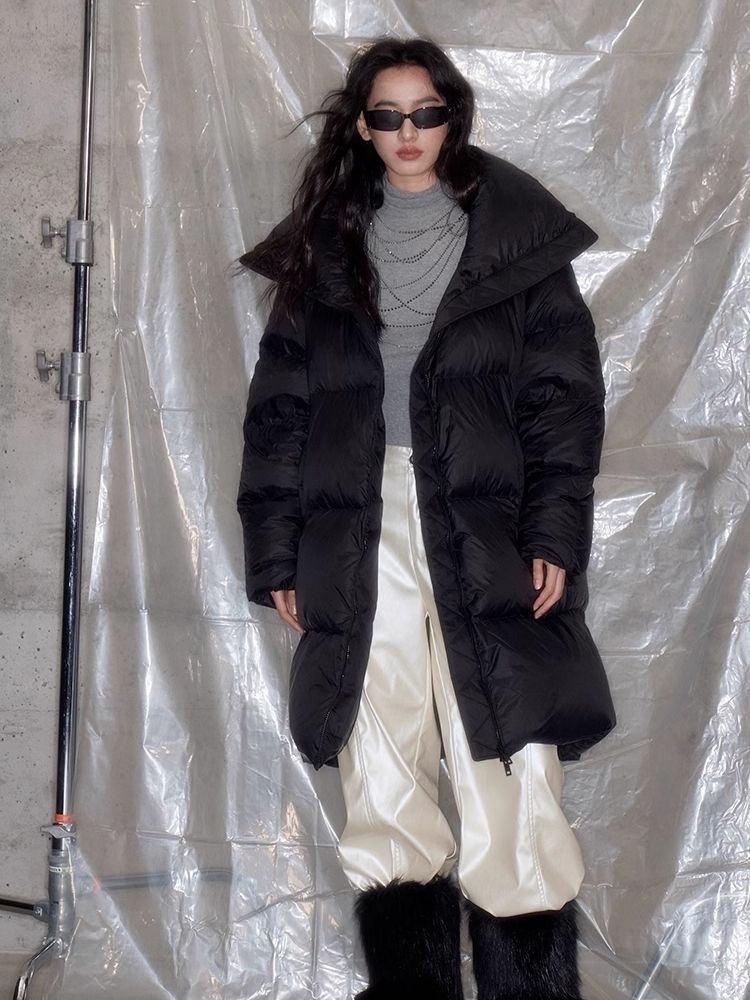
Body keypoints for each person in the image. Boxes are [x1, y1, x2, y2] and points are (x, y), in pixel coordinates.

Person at [236, 35, 615, 1000]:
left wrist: (553, 534)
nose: (409, 132)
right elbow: (280, 413)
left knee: (506, 739)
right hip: (356, 527)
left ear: (454, 117)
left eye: (427, 113)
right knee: (379, 742)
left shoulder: (518, 244)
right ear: (363, 128)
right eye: (388, 116)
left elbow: (563, 403)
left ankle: (530, 988)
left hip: (483, 523)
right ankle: (413, 988)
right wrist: (277, 553)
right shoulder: (324, 252)